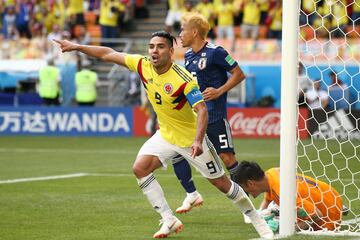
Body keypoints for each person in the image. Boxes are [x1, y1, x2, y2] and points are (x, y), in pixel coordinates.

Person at [53, 31, 273, 239]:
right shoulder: (142, 65)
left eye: (160, 47)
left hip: (190, 139)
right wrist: (77, 47)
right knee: (140, 168)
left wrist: (198, 140)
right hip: (166, 135)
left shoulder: (183, 78)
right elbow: (108, 54)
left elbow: (202, 110)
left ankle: (257, 220)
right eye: (151, 47)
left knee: (223, 184)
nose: (154, 51)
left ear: (171, 51)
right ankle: (168, 218)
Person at [173, 12, 246, 214]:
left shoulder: (216, 52)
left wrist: (220, 90)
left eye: (183, 30)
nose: (180, 34)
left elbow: (240, 74)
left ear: (194, 32)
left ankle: (246, 206)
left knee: (227, 158)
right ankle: (191, 194)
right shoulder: (187, 56)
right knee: (177, 152)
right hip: (195, 117)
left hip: (215, 116)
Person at [233, 161, 343, 232]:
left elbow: (316, 216)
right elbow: (267, 199)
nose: (245, 192)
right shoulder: (271, 174)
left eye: (244, 188)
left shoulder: (283, 192)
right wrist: (260, 215)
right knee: (277, 210)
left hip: (329, 215)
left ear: (251, 183)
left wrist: (286, 228)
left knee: (284, 220)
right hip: (328, 193)